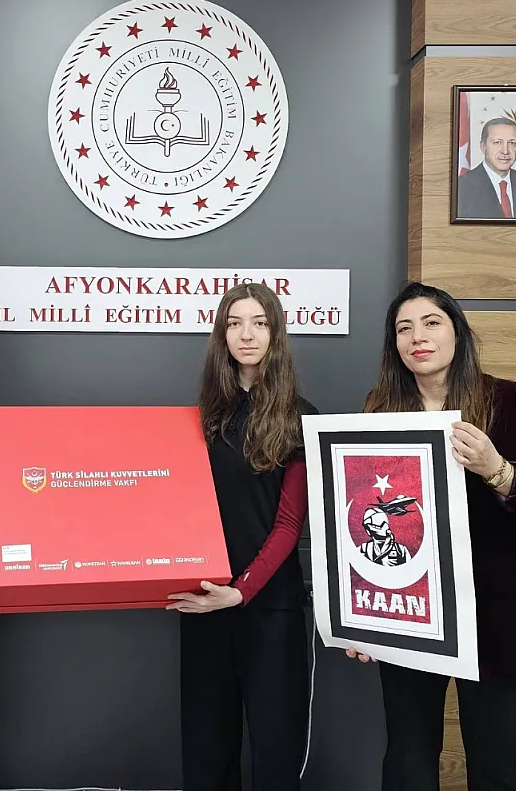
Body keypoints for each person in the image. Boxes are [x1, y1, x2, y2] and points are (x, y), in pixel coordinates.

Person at [347, 281, 516, 791]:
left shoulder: (507, 400)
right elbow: (359, 521)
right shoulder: (379, 409)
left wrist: (498, 470)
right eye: (404, 328)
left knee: (494, 766)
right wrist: (360, 617)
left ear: (457, 333)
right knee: (407, 761)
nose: (417, 337)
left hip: (496, 614)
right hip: (409, 612)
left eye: (431, 323)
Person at [166, 282, 318, 791]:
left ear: (276, 333)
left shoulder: (301, 418)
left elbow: (290, 524)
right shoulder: (202, 418)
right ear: (222, 335)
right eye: (234, 324)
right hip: (204, 603)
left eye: (259, 323)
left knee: (275, 752)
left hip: (270, 609)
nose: (246, 334)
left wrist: (242, 590)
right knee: (206, 751)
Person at [456, 118, 516, 219]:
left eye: (512, 143)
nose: (505, 151)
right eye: (498, 142)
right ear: (483, 147)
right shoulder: (463, 186)